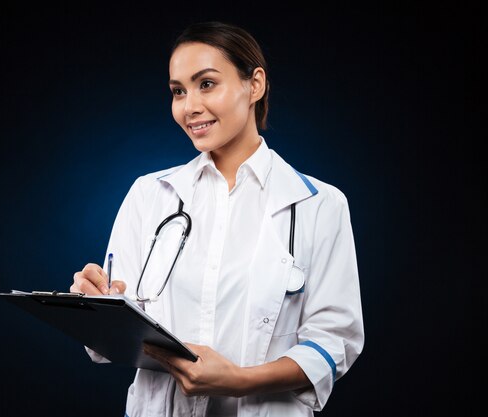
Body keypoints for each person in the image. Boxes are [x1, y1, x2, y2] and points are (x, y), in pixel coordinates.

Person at [70, 21, 364, 417]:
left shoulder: (319, 205)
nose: (189, 106)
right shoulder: (149, 195)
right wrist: (99, 308)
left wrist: (238, 379)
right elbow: (121, 335)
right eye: (178, 91)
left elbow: (334, 341)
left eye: (206, 83)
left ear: (254, 84)